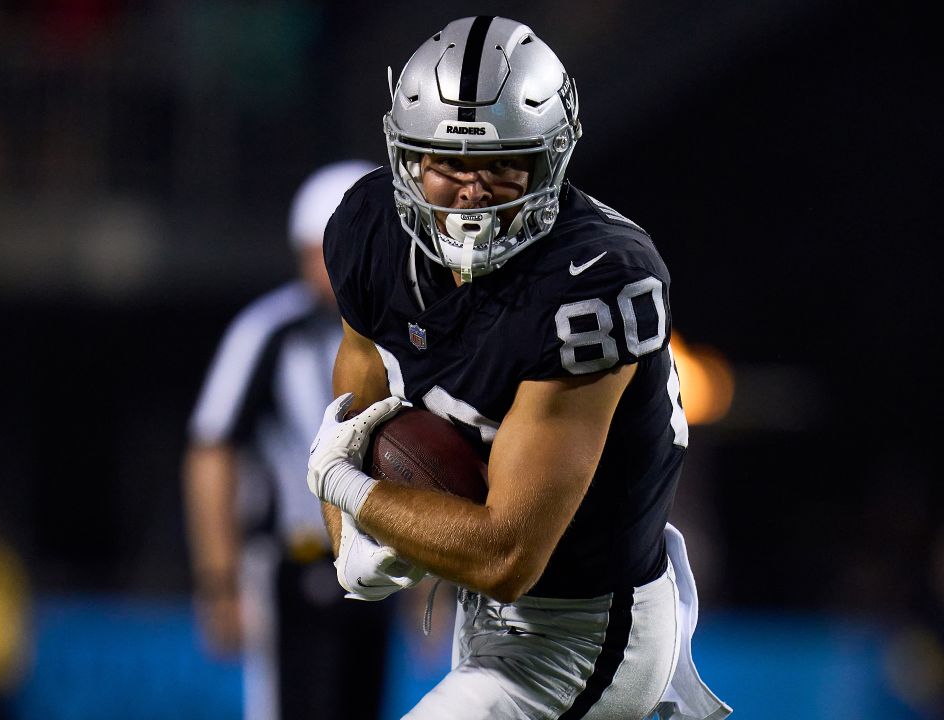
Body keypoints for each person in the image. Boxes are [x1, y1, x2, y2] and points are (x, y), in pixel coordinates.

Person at [305, 17, 732, 720]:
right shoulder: (368, 230)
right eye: (447, 162)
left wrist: (353, 491)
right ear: (405, 159)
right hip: (488, 617)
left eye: (504, 163)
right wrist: (345, 533)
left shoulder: (596, 280)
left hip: (586, 626)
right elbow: (360, 377)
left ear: (553, 158)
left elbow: (508, 555)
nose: (472, 191)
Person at [184, 160, 393, 720]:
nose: (318, 270)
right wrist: (219, 579)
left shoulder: (404, 334)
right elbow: (210, 453)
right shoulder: (268, 332)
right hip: (291, 564)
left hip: (379, 563)